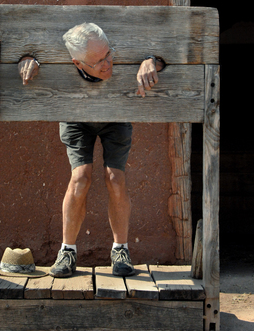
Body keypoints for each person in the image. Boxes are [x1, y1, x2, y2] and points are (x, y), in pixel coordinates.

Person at [18, 23, 164, 278]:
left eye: (109, 55)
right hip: (75, 116)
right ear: (77, 64)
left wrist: (153, 60)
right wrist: (29, 59)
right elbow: (29, 52)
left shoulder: (114, 59)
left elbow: (167, 55)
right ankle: (67, 251)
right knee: (80, 178)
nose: (107, 64)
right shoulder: (69, 65)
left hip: (116, 114)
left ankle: (121, 250)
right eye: (98, 61)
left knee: (115, 179)